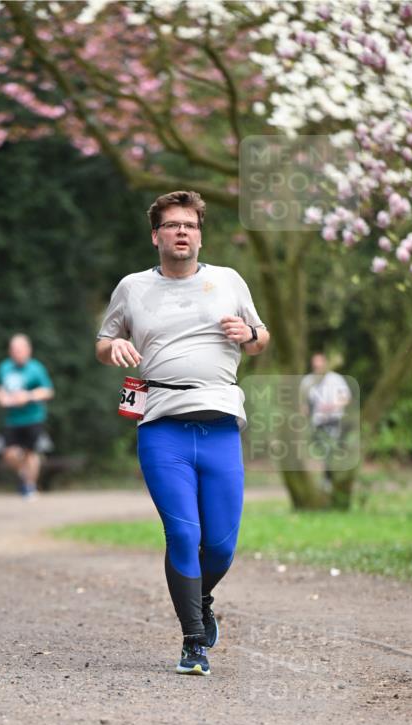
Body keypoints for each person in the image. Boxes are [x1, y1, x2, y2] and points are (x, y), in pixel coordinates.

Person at [96, 190, 269, 677]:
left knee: (220, 546)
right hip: (163, 426)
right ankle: (194, 641)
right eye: (172, 225)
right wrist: (115, 350)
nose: (181, 232)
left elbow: (262, 338)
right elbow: (104, 341)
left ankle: (202, 599)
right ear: (156, 236)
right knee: (182, 532)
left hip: (219, 425)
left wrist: (248, 336)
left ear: (199, 234)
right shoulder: (132, 288)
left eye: (189, 225)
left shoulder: (228, 281)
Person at [0, 334, 54, 499]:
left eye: (20, 350)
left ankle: (30, 486)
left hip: (33, 417)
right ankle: (23, 473)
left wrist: (28, 396)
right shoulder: (4, 367)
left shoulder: (36, 368)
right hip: (12, 419)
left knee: (30, 453)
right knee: (9, 454)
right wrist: (2, 398)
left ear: (28, 350)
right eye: (14, 350)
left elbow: (48, 391)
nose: (17, 353)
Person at [300, 352, 351, 487]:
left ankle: (329, 480)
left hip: (334, 419)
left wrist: (333, 405)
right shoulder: (308, 381)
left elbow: (346, 397)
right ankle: (327, 479)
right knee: (323, 451)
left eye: (320, 363)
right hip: (317, 421)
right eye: (315, 364)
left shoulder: (336, 379)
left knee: (330, 449)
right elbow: (303, 403)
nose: (317, 366)